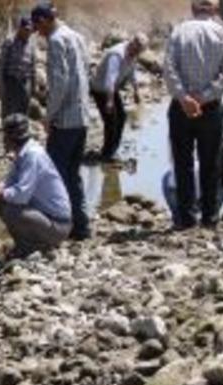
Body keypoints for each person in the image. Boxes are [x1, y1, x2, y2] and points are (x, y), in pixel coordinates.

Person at [164, 0, 223, 229]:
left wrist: (184, 97)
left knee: (182, 163)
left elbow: (168, 68)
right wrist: (204, 97)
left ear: (193, 9)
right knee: (210, 163)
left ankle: (186, 218)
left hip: (181, 108)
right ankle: (209, 217)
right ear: (215, 10)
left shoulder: (178, 32)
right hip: (211, 108)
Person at [31, 3, 91, 240]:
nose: (38, 32)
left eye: (38, 26)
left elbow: (59, 83)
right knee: (73, 175)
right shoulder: (76, 36)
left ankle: (61, 225)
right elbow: (85, 71)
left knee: (55, 175)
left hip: (65, 121)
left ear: (45, 20)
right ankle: (81, 227)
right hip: (82, 117)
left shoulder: (56, 41)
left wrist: (48, 116)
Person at [0, 114, 72, 259]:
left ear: (9, 138)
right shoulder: (24, 153)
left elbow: (20, 196)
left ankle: (33, 247)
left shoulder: (32, 156)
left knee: (12, 210)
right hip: (48, 220)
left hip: (58, 227)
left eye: (5, 136)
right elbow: (10, 184)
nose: (3, 141)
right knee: (3, 201)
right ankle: (25, 244)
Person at [91, 33, 148, 162]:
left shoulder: (133, 54)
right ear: (133, 44)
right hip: (100, 89)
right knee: (111, 120)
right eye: (137, 50)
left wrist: (136, 91)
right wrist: (110, 101)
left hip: (112, 89)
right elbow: (110, 79)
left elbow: (132, 71)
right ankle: (106, 154)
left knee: (121, 117)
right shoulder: (116, 54)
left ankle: (112, 150)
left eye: (140, 51)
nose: (137, 54)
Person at [0, 16, 37, 119]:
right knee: (8, 114)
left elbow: (33, 67)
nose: (28, 33)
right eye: (26, 30)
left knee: (23, 114)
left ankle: (22, 134)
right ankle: (7, 134)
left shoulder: (31, 44)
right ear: (20, 28)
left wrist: (33, 87)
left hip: (25, 84)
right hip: (11, 83)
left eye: (30, 30)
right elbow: (1, 65)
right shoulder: (10, 41)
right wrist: (1, 86)